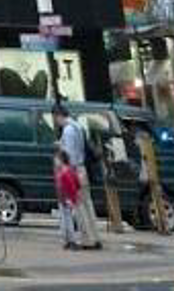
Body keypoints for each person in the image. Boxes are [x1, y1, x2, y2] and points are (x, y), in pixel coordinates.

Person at [55, 104, 101, 249]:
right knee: (88, 204)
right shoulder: (78, 126)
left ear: (59, 116)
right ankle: (95, 237)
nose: (56, 122)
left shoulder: (68, 130)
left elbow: (69, 155)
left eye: (56, 118)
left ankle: (87, 240)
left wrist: (60, 147)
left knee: (79, 206)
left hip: (74, 170)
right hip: (83, 169)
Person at [55, 148, 82, 250]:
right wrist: (75, 196)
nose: (55, 162)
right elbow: (77, 183)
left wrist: (67, 198)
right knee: (69, 219)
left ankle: (69, 240)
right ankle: (70, 240)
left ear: (61, 160)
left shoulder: (62, 173)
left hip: (64, 199)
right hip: (69, 199)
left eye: (56, 160)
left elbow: (64, 187)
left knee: (66, 221)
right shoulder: (70, 170)